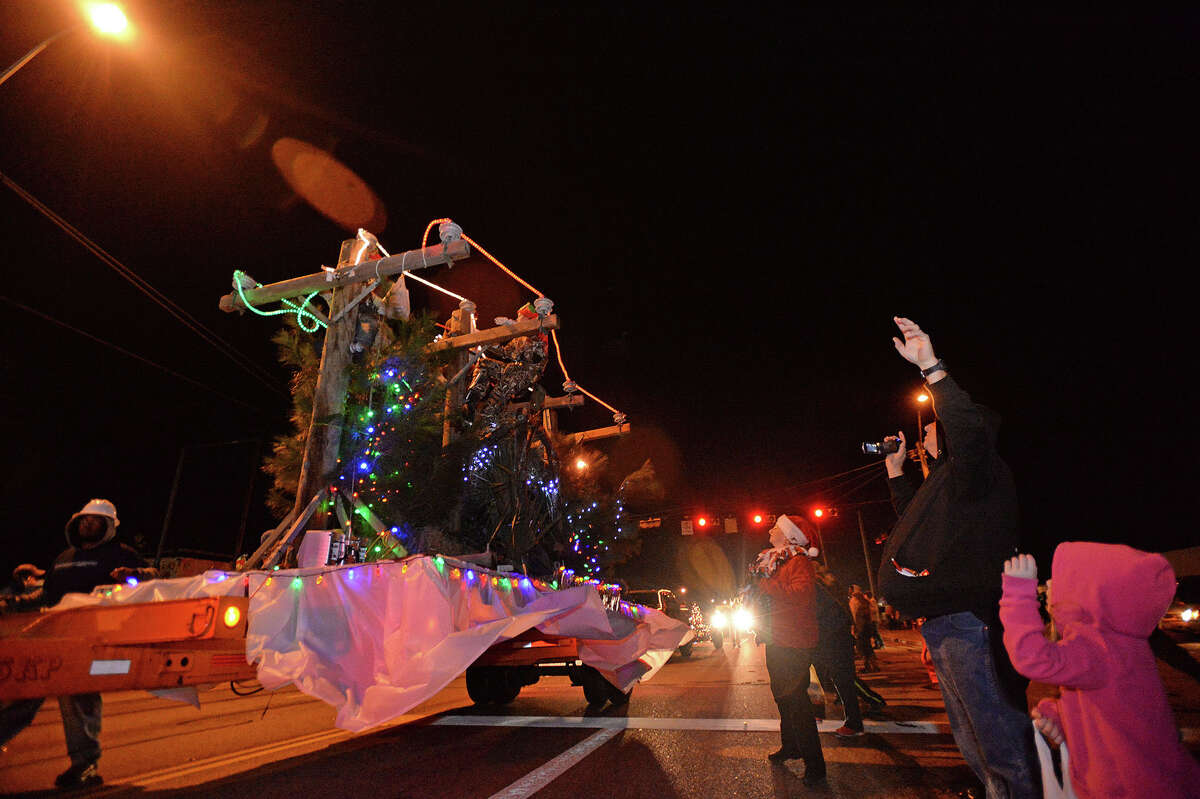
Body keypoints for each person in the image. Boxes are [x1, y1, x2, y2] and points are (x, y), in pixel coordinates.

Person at [875, 317, 1038, 799]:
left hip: (972, 625)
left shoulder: (978, 473)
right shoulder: (947, 486)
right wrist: (894, 471)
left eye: (935, 432)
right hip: (948, 625)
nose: (928, 437)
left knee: (1001, 744)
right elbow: (913, 526)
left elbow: (967, 430)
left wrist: (931, 368)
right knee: (974, 742)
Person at [1000, 546, 1200, 798]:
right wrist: (1061, 715)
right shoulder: (1118, 643)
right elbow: (1113, 709)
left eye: (1063, 579)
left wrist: (1018, 594)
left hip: (1128, 788)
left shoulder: (1098, 646)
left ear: (1091, 595)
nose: (1049, 583)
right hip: (1146, 780)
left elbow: (1032, 658)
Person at [0, 499, 156, 790]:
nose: (87, 523)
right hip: (51, 639)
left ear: (108, 526)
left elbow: (155, 578)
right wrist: (14, 603)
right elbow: (47, 596)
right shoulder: (64, 558)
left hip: (91, 642)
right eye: (84, 519)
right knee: (20, 694)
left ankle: (84, 766)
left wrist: (136, 576)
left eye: (94, 520)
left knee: (77, 698)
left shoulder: (121, 555)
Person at [749, 514, 826, 786]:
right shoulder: (774, 561)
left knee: (797, 703)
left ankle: (815, 766)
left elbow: (801, 594)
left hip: (793, 642)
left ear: (788, 535)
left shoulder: (799, 561)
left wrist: (766, 585)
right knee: (782, 698)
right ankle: (790, 746)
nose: (770, 530)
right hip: (776, 639)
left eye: (776, 527)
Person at [848, 584, 880, 672]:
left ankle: (868, 666)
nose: (848, 591)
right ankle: (874, 666)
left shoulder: (854, 600)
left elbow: (854, 615)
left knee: (862, 648)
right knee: (867, 647)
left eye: (850, 589)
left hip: (861, 627)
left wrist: (854, 629)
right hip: (867, 626)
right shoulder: (863, 599)